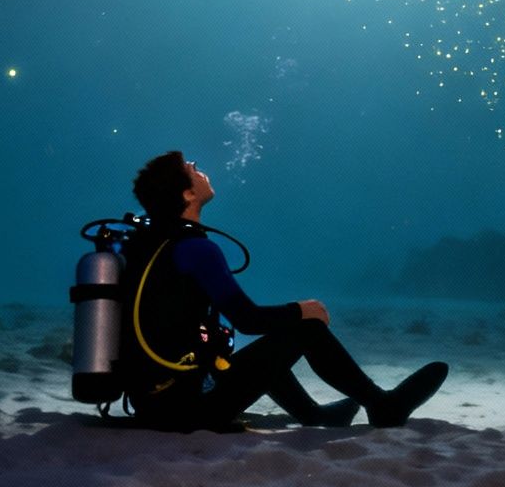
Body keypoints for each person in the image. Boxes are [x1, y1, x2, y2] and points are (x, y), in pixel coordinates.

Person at [118, 150, 448, 432]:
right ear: (187, 195)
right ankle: (382, 406)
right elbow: (247, 319)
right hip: (184, 410)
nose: (200, 169)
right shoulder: (195, 249)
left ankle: (313, 414)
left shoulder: (149, 243)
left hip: (153, 403)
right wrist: (302, 310)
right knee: (305, 329)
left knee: (266, 347)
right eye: (192, 169)